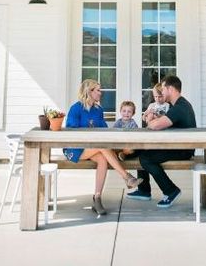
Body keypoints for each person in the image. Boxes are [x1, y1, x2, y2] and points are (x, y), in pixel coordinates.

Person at [64, 79, 142, 215]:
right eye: (98, 90)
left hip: (95, 148)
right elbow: (72, 133)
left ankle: (97, 198)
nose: (101, 92)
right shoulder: (75, 108)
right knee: (101, 146)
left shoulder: (98, 109)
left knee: (102, 158)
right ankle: (127, 176)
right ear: (89, 92)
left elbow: (104, 130)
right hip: (75, 149)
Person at [127, 74, 196, 208]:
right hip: (178, 146)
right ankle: (144, 190)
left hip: (183, 150)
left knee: (146, 158)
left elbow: (155, 126)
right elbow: (163, 122)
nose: (162, 92)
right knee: (142, 150)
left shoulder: (180, 107)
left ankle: (171, 191)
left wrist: (152, 120)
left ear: (170, 89)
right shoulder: (179, 104)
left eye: (163, 89)